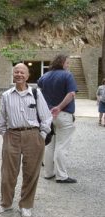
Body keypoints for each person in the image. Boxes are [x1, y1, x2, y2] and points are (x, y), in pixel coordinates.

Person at [0, 63, 52, 217]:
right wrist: (4, 134)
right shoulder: (6, 95)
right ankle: (5, 203)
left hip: (33, 135)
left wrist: (42, 135)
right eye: (16, 72)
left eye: (22, 72)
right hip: (11, 135)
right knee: (8, 172)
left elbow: (46, 117)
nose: (19, 74)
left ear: (27, 76)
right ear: (13, 75)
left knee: (31, 172)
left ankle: (26, 205)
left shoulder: (36, 93)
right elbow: (1, 118)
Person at [38, 54, 78, 184]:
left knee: (50, 144)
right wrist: (59, 107)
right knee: (62, 146)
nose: (68, 65)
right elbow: (71, 94)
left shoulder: (44, 76)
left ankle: (48, 173)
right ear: (61, 63)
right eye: (67, 63)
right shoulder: (67, 75)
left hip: (49, 115)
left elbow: (39, 93)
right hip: (63, 114)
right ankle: (61, 176)